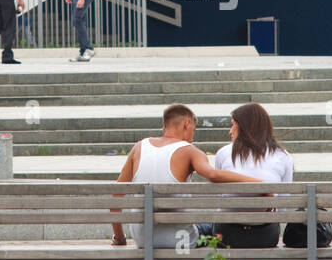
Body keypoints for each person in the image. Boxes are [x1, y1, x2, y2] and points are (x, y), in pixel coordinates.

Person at [110, 104, 259, 248]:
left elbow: (116, 195)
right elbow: (212, 175)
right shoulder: (190, 151)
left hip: (143, 239)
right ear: (187, 123)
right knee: (214, 230)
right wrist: (257, 182)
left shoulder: (139, 147)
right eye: (193, 131)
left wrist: (119, 238)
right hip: (180, 239)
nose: (192, 138)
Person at [211, 103, 293, 250]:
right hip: (265, 236)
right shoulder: (283, 156)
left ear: (242, 127)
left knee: (209, 228)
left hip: (227, 235)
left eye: (232, 125)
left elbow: (220, 197)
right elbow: (282, 207)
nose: (230, 131)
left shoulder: (224, 153)